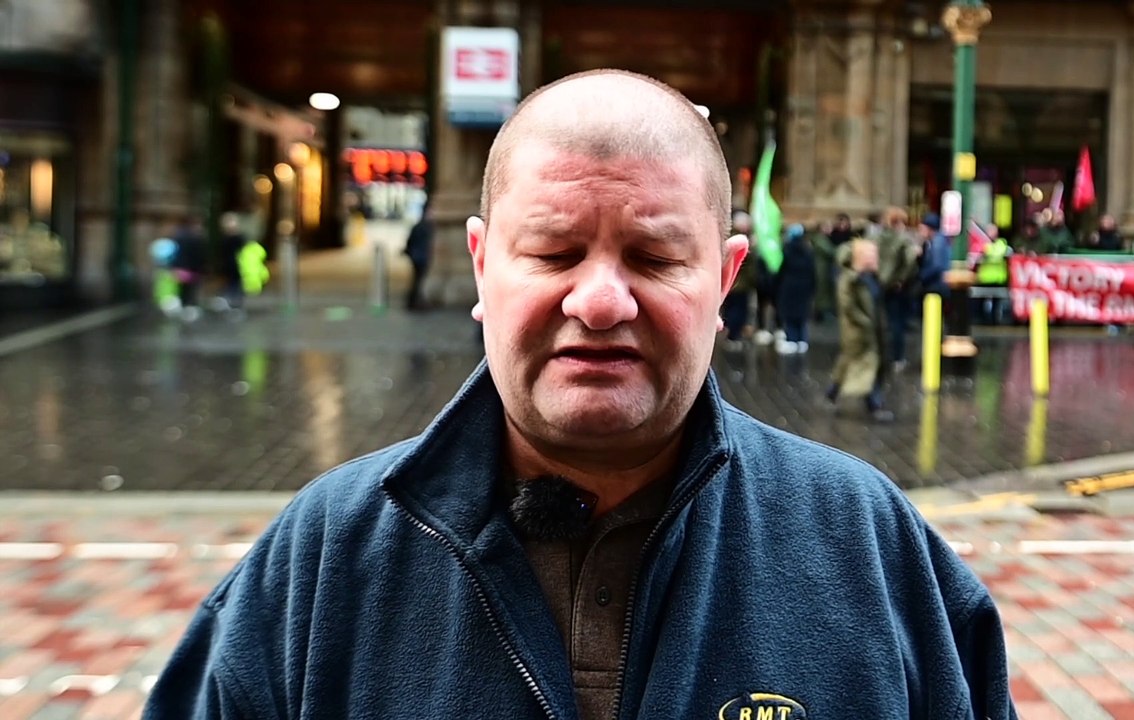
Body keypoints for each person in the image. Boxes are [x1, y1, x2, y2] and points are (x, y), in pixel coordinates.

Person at [145, 69, 1015, 720]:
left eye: (654, 257)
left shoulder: (869, 546)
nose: (599, 302)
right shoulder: (322, 559)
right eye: (554, 253)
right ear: (483, 266)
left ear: (725, 280)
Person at [828, 239, 895, 423]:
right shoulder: (850, 279)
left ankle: (832, 391)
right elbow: (847, 305)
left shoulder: (871, 277)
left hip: (873, 330)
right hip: (859, 332)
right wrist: (864, 322)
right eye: (871, 255)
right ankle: (875, 405)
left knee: (849, 362)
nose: (875, 258)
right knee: (868, 366)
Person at [876, 206, 917, 371]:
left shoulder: (876, 238)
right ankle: (897, 357)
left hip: (878, 284)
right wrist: (901, 279)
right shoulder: (903, 240)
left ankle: (878, 356)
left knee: (878, 321)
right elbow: (910, 260)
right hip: (896, 287)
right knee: (896, 323)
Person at [774, 223, 817, 354]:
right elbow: (813, 272)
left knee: (790, 314)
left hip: (789, 287)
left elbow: (781, 270)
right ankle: (802, 339)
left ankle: (791, 339)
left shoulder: (786, 250)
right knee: (802, 314)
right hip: (804, 287)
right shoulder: (808, 251)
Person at [720, 209, 755, 349]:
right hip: (740, 284)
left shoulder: (727, 237)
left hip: (732, 283)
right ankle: (733, 336)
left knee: (731, 309)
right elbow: (748, 265)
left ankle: (730, 333)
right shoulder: (742, 241)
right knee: (738, 310)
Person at [403, 204, 435, 310]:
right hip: (420, 257)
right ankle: (414, 301)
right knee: (418, 280)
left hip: (417, 256)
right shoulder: (426, 227)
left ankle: (413, 301)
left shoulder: (420, 226)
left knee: (417, 280)